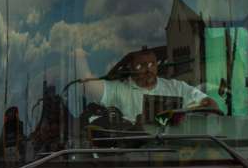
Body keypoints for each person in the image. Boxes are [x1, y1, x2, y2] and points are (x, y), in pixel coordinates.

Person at [76, 47, 219, 125]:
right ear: (130, 67)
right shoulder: (119, 90)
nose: (148, 68)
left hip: (173, 159)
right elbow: (91, 85)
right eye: (141, 65)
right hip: (133, 161)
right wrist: (79, 54)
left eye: (152, 64)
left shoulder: (176, 88)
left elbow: (206, 103)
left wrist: (211, 112)